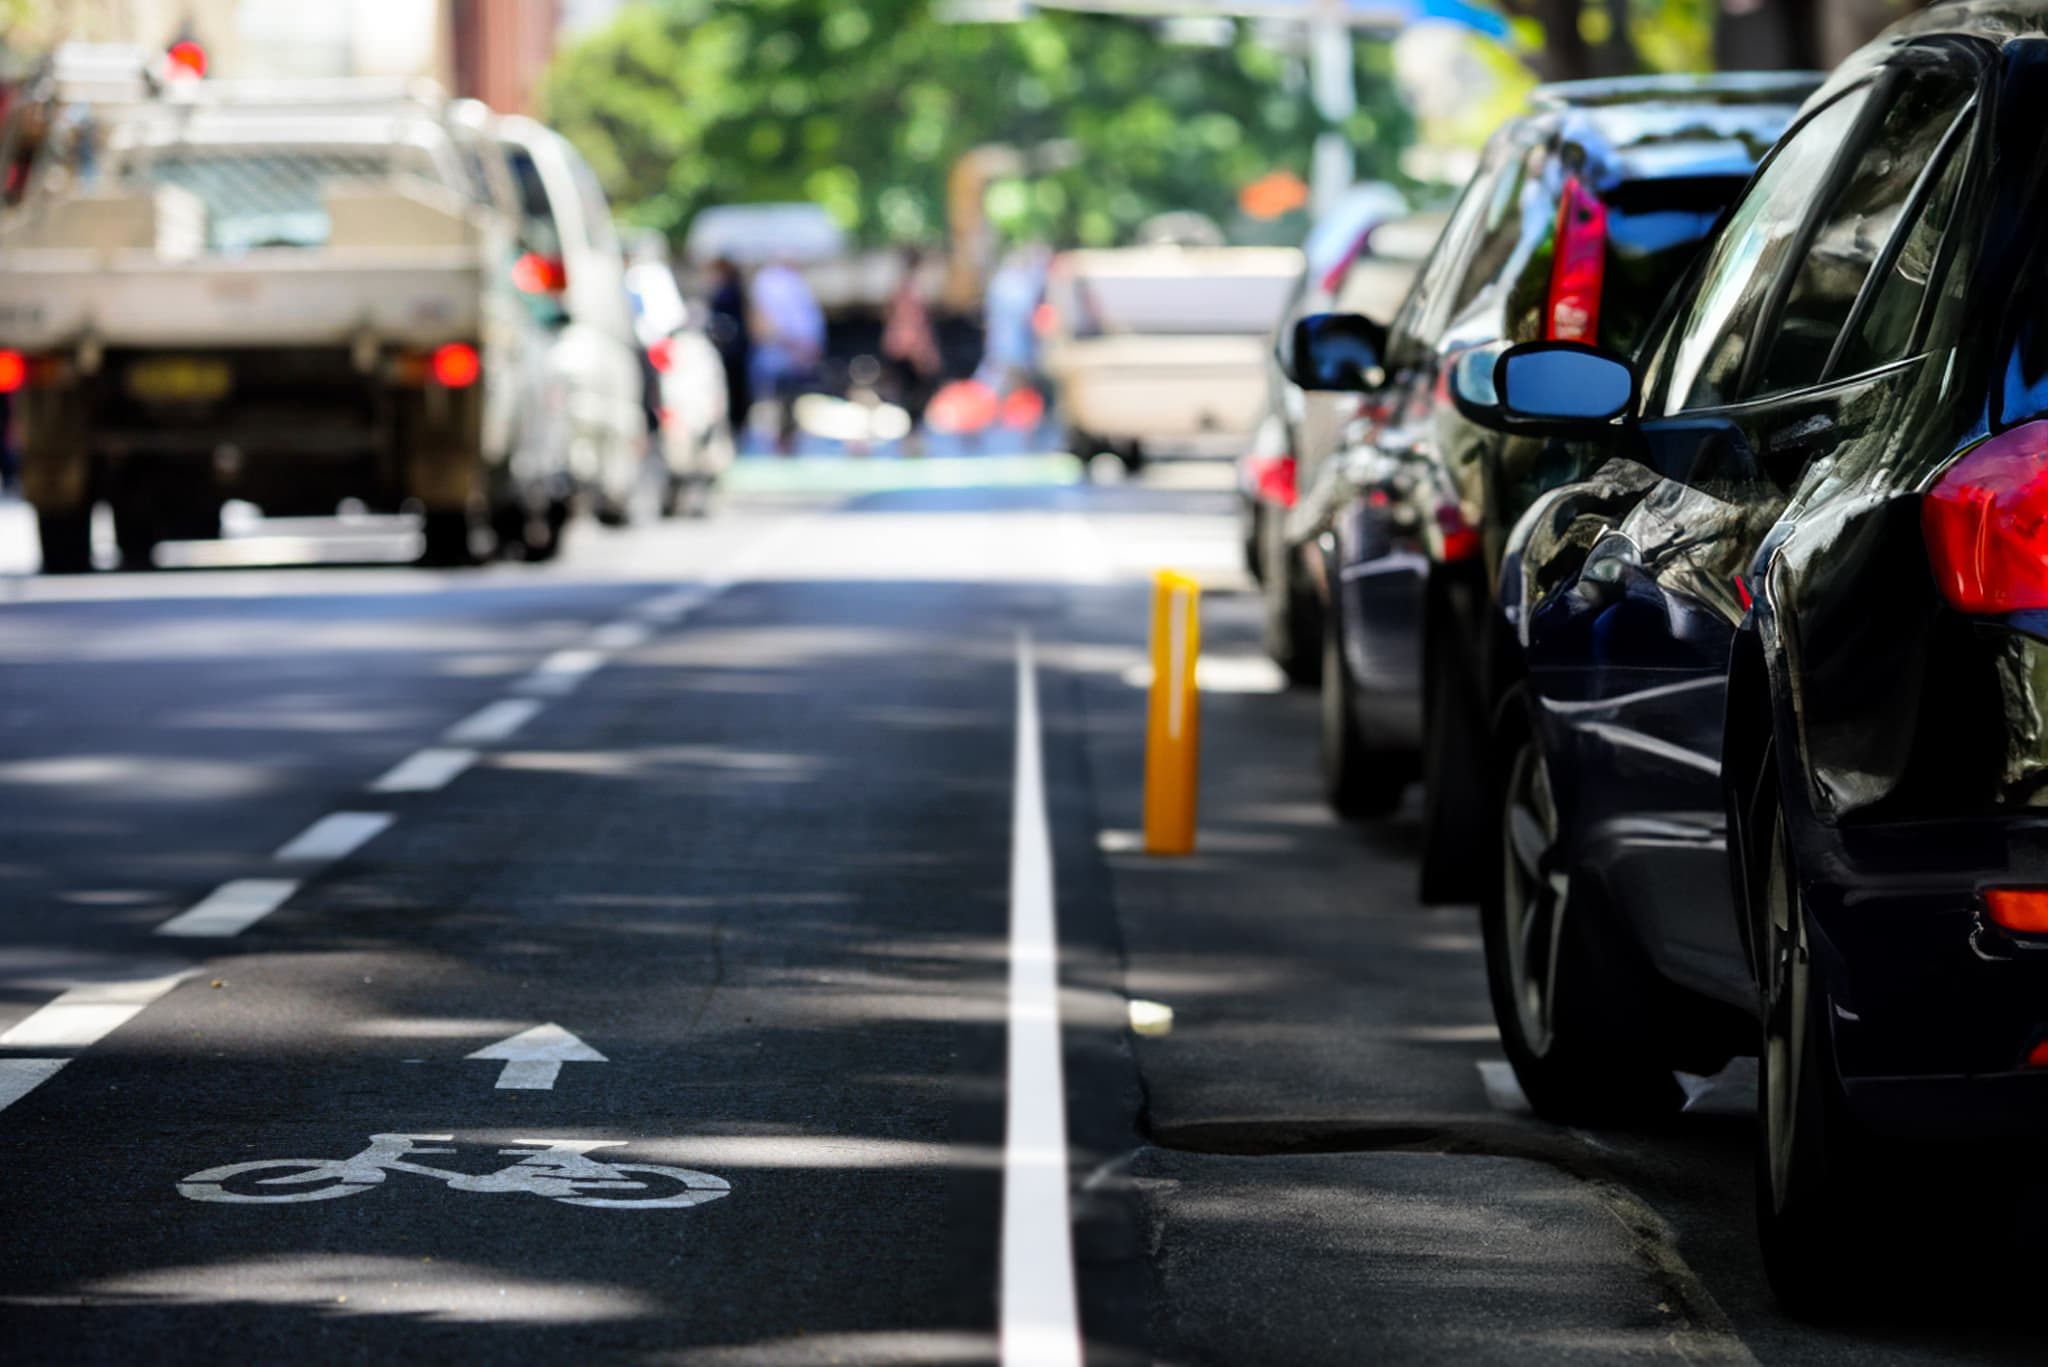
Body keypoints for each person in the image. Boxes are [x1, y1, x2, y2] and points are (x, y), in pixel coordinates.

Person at [747, 258, 825, 453]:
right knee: (777, 400)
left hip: (791, 353)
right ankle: (779, 440)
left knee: (788, 400)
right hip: (778, 352)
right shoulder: (770, 284)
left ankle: (785, 439)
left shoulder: (793, 285)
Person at [880, 247, 942, 433]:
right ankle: (912, 437)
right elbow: (913, 323)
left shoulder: (899, 286)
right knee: (915, 394)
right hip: (908, 349)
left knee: (908, 393)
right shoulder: (912, 289)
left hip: (899, 346)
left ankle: (912, 436)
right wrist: (922, 353)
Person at [704, 257, 752, 442]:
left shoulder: (730, 291)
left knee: (735, 387)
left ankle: (737, 425)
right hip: (734, 346)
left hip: (733, 348)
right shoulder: (733, 289)